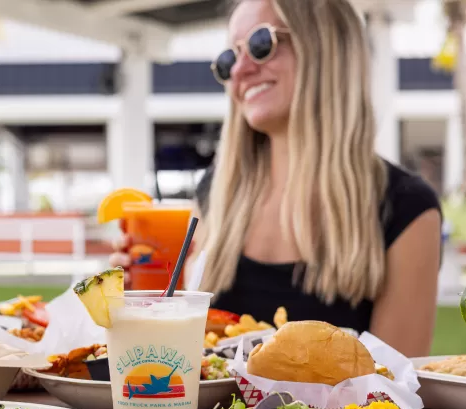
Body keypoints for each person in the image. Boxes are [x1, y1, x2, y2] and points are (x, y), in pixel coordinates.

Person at [111, 0, 442, 357]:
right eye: (228, 59)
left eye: (259, 45)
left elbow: (396, 391)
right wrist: (139, 300)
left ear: (326, 46)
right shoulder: (216, 192)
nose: (239, 71)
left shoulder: (407, 208)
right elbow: (175, 355)